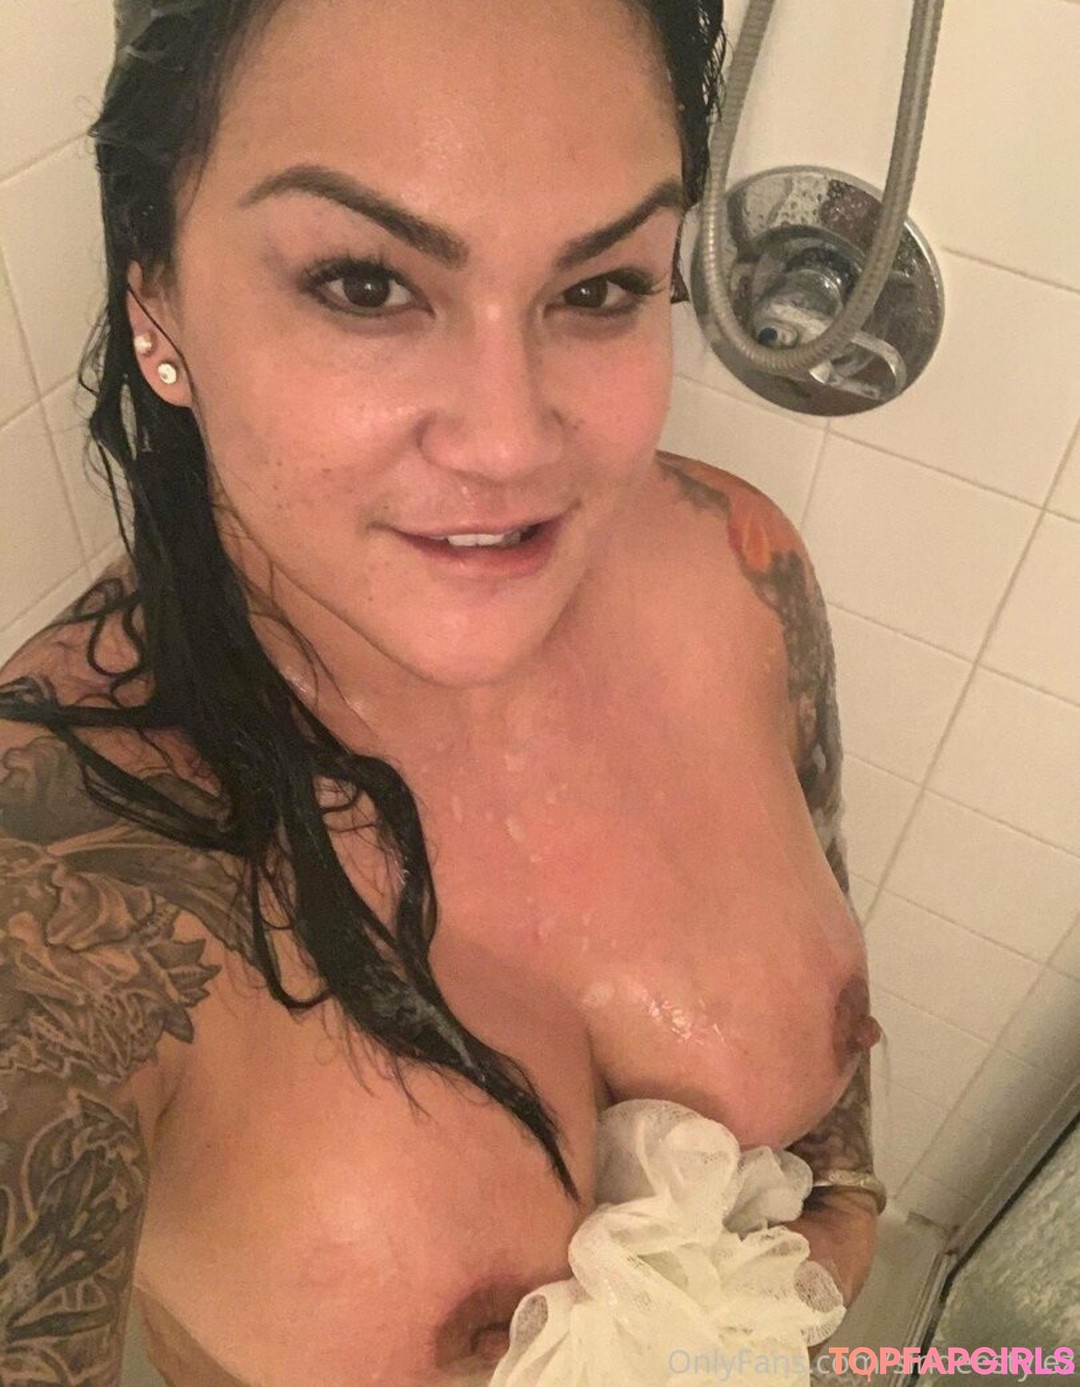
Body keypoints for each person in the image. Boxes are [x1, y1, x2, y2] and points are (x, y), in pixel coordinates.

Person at [0, 1, 886, 1383]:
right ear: (155, 295)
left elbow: (836, 1086)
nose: (509, 442)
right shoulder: (54, 881)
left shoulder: (735, 566)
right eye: (365, 284)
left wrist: (828, 1248)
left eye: (600, 287)